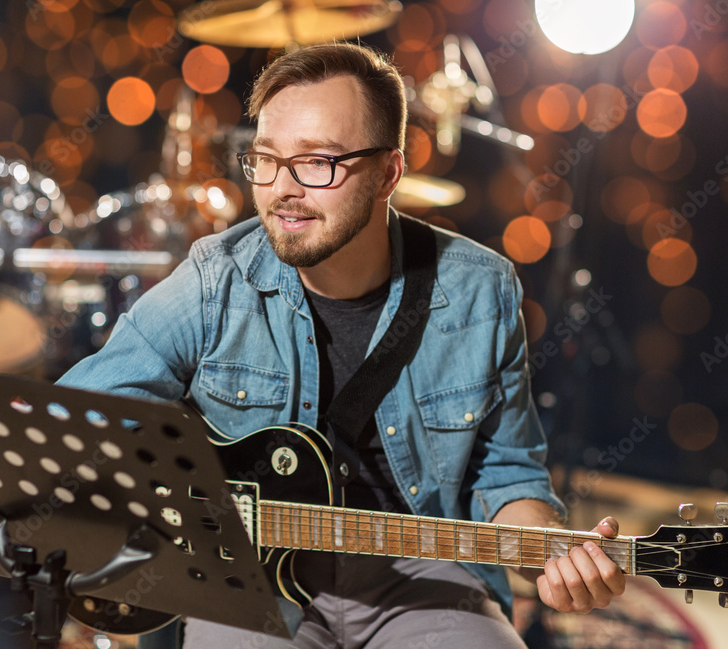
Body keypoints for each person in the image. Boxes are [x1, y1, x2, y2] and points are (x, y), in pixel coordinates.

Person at [58, 42, 624, 648]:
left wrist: (553, 557)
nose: (283, 190)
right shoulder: (214, 277)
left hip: (418, 574)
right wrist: (179, 510)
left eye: (317, 163)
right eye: (266, 160)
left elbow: (507, 474)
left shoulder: (480, 288)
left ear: (388, 173)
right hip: (250, 583)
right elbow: (81, 415)